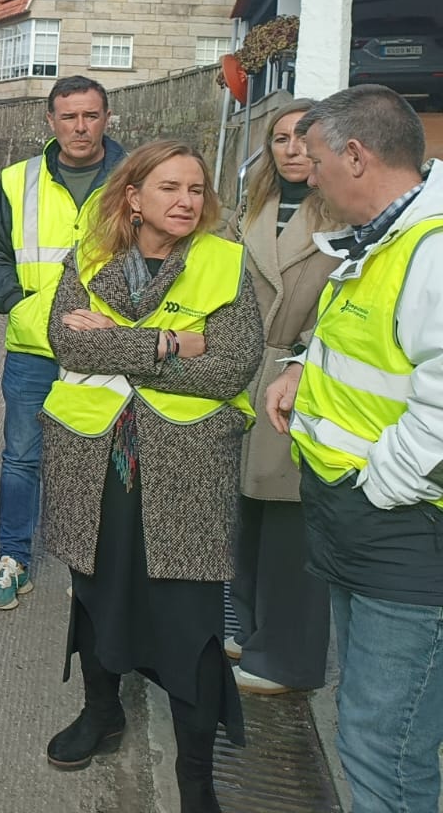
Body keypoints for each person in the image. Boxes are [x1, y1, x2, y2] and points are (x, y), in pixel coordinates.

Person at [41, 141, 262, 813]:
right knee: (99, 592)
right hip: (95, 459)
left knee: (189, 621)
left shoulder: (226, 262)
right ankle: (101, 712)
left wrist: (122, 341)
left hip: (188, 466)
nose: (187, 202)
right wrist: (171, 341)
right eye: (170, 188)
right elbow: (68, 340)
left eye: (196, 189)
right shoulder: (90, 258)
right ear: (133, 197)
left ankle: (197, 779)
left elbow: (233, 365)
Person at [263, 85, 443, 813]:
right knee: (369, 728)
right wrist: (304, 369)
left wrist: (378, 484)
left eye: (316, 159)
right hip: (360, 523)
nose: (308, 174)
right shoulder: (385, 239)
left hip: (402, 533)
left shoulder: (431, 250)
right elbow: (380, 348)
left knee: (382, 746)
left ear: (356, 155)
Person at [0, 75, 124, 610]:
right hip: (35, 347)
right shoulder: (18, 181)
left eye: (91, 115)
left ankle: (108, 562)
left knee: (112, 456)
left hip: (113, 349)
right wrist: (23, 305)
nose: (81, 127)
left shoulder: (136, 179)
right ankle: (15, 558)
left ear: (107, 117)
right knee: (23, 458)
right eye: (70, 117)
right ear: (51, 122)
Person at [227, 100, 338, 695]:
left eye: (304, 136)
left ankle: (288, 659)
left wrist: (300, 360)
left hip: (300, 370)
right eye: (278, 138)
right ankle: (248, 630)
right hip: (244, 370)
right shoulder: (254, 208)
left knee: (290, 521)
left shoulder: (343, 213)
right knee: (245, 512)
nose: (291, 148)